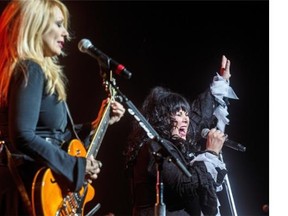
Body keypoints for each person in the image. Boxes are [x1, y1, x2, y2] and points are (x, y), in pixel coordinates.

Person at [0, 0, 125, 215]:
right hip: (28, 185)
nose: (66, 33)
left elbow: (54, 136)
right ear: (36, 24)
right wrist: (75, 166)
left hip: (36, 183)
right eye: (58, 24)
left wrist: (95, 125)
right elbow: (22, 135)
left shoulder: (33, 69)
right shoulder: (30, 68)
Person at [124, 55, 239, 216]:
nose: (186, 119)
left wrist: (221, 82)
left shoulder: (172, 144)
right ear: (163, 118)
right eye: (179, 114)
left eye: (186, 114)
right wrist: (211, 153)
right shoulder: (155, 147)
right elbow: (184, 185)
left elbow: (198, 117)